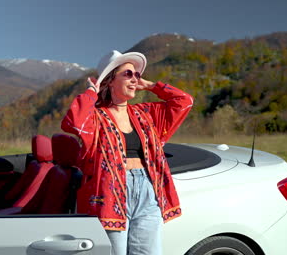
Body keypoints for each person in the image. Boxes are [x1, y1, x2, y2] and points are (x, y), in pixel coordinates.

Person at [61, 50, 193, 255]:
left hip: (149, 192)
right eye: (128, 74)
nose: (135, 79)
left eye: (137, 75)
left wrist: (151, 86)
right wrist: (91, 93)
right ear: (110, 81)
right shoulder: (96, 117)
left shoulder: (144, 114)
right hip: (110, 196)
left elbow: (184, 102)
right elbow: (75, 121)